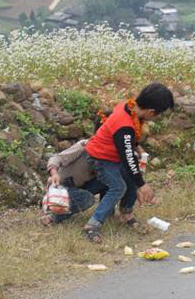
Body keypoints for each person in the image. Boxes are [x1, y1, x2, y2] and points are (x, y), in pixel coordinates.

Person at [82, 82, 174, 243]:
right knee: (119, 186)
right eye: (158, 115)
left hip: (112, 156)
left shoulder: (129, 107)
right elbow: (127, 156)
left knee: (131, 174)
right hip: (100, 158)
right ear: (152, 112)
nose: (156, 118)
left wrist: (138, 148)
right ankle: (92, 225)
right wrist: (142, 184)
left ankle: (126, 214)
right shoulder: (124, 124)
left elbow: (128, 142)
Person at [41, 139, 106, 226]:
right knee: (87, 198)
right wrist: (54, 174)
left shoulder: (109, 154)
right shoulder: (84, 146)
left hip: (80, 187)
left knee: (108, 180)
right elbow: (56, 158)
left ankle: (106, 213)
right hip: (60, 188)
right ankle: (52, 216)